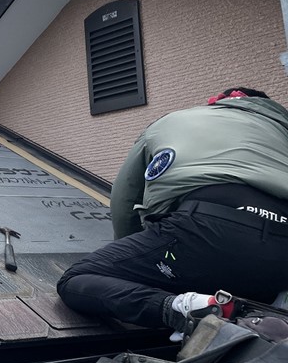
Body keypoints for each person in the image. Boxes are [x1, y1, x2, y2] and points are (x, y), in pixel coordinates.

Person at [56, 87, 288, 338]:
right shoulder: (283, 132)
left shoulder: (173, 121)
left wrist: (134, 254)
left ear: (219, 104)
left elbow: (125, 199)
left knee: (77, 279)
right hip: (281, 252)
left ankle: (183, 310)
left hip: (204, 228)